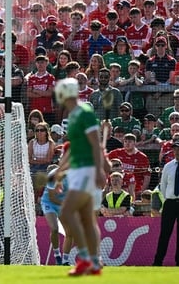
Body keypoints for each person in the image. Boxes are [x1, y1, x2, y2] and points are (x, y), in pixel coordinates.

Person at [54, 78, 107, 276]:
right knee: (86, 219)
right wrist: (60, 172)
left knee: (66, 212)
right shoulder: (73, 116)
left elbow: (96, 144)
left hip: (86, 169)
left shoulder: (84, 113)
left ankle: (85, 258)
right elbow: (73, 149)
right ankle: (94, 262)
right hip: (77, 170)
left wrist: (99, 169)